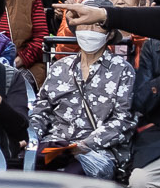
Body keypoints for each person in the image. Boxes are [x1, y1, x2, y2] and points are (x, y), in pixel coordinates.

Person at [29, 14, 135, 177]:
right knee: (25, 171)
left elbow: (123, 119)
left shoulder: (122, 70)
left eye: (97, 25)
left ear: (110, 33)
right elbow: (40, 110)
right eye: (84, 25)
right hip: (56, 144)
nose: (89, 31)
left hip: (97, 150)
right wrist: (31, 137)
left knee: (71, 180)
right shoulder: (60, 67)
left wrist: (87, 144)